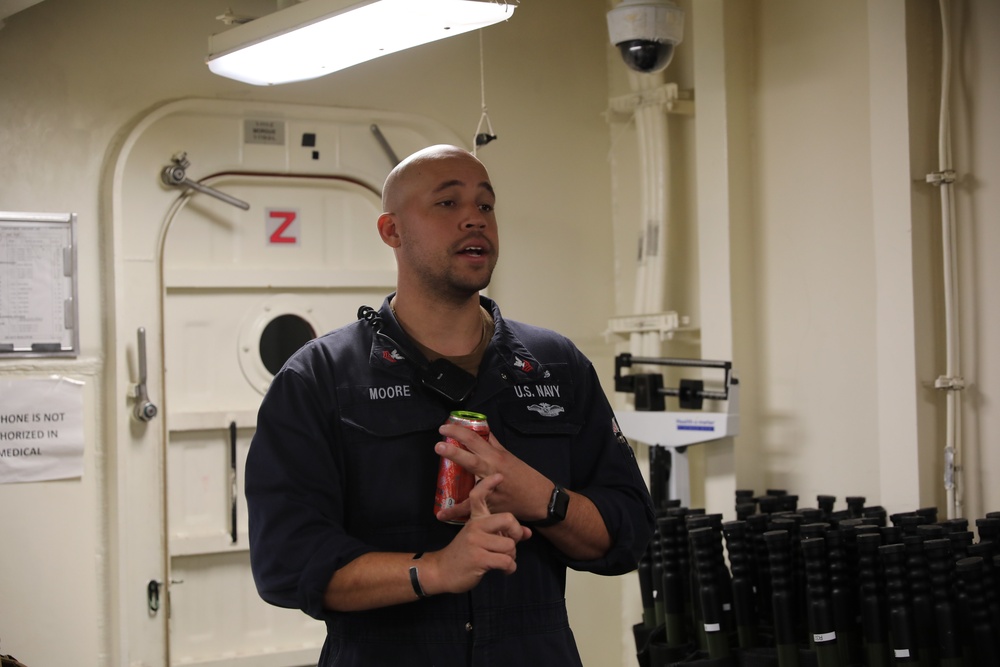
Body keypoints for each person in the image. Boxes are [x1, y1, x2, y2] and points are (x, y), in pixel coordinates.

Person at [245, 144, 655, 666]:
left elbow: (627, 533)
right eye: (447, 204)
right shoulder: (319, 378)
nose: (473, 220)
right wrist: (434, 570)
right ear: (391, 231)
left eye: (485, 206)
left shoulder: (557, 365)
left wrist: (542, 498)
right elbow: (287, 561)